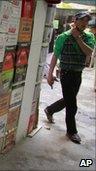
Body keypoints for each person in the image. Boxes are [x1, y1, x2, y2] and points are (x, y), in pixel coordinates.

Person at [44, 12, 95, 144]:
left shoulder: (89, 36)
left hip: (78, 74)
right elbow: (55, 55)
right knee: (72, 105)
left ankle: (50, 109)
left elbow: (89, 52)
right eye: (82, 20)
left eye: (86, 21)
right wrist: (50, 74)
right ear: (75, 20)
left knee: (68, 100)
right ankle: (72, 131)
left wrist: (79, 39)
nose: (85, 24)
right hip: (65, 73)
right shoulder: (63, 37)